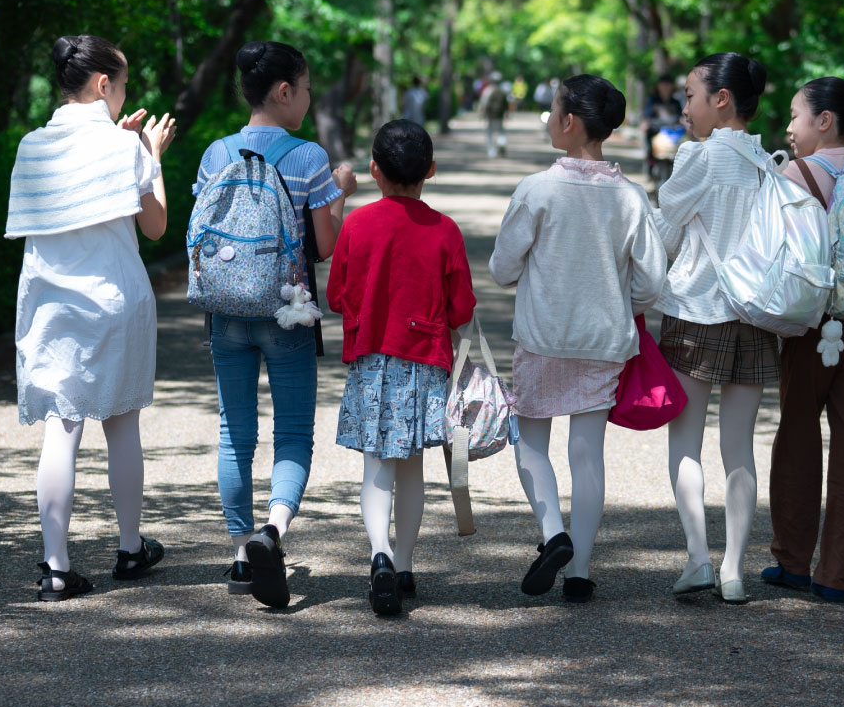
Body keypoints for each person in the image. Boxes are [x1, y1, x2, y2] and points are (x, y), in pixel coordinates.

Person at [6, 34, 176, 601]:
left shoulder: (33, 144)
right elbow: (155, 227)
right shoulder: (122, 148)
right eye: (123, 84)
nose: (125, 95)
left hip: (51, 302)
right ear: (104, 84)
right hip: (113, 298)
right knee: (121, 421)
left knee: (62, 427)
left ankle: (57, 567)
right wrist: (150, 157)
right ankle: (130, 550)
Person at [489, 75, 667, 603]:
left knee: (531, 445)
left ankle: (553, 536)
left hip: (544, 336)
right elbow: (653, 281)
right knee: (587, 454)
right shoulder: (631, 197)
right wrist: (622, 301)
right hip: (605, 339)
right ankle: (580, 572)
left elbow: (501, 269)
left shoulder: (537, 190)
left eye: (551, 111)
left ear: (568, 123)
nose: (547, 118)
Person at [194, 40, 357, 606]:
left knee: (234, 432)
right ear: (284, 92)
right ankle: (274, 531)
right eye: (307, 88)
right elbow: (324, 246)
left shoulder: (216, 154)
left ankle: (242, 553)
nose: (309, 100)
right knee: (291, 433)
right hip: (288, 310)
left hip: (225, 311)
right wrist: (341, 196)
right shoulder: (309, 158)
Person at [327, 119, 476, 618]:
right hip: (424, 361)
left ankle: (379, 556)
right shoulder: (445, 230)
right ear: (430, 170)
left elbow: (335, 296)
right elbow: (461, 310)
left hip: (371, 359)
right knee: (412, 465)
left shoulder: (357, 225)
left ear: (373, 170)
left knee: (376, 464)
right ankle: (406, 564)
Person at [763, 78, 844, 604]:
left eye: (795, 115)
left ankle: (793, 563)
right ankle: (835, 573)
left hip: (813, 324)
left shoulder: (795, 174)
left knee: (797, 436)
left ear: (824, 121)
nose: (789, 127)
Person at [653, 51, 777, 605]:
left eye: (690, 95)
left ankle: (698, 558)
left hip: (697, 312)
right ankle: (734, 571)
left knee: (685, 441)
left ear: (720, 100)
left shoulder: (697, 159)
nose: (685, 106)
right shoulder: (768, 163)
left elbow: (666, 234)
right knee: (740, 449)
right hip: (755, 317)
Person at [641, 73, 686, 187]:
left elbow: (680, 118)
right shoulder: (652, 100)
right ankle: (649, 167)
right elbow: (647, 117)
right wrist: (645, 124)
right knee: (649, 146)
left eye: (667, 84)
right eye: (663, 84)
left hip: (672, 135)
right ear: (658, 86)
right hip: (655, 132)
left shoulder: (675, 102)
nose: (665, 87)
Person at [480, 71, 509, 158]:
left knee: (489, 133)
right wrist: (507, 113)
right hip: (500, 115)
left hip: (489, 115)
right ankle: (501, 143)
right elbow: (506, 104)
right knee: (501, 131)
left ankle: (491, 151)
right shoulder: (502, 91)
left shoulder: (488, 90)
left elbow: (484, 103)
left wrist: (482, 114)